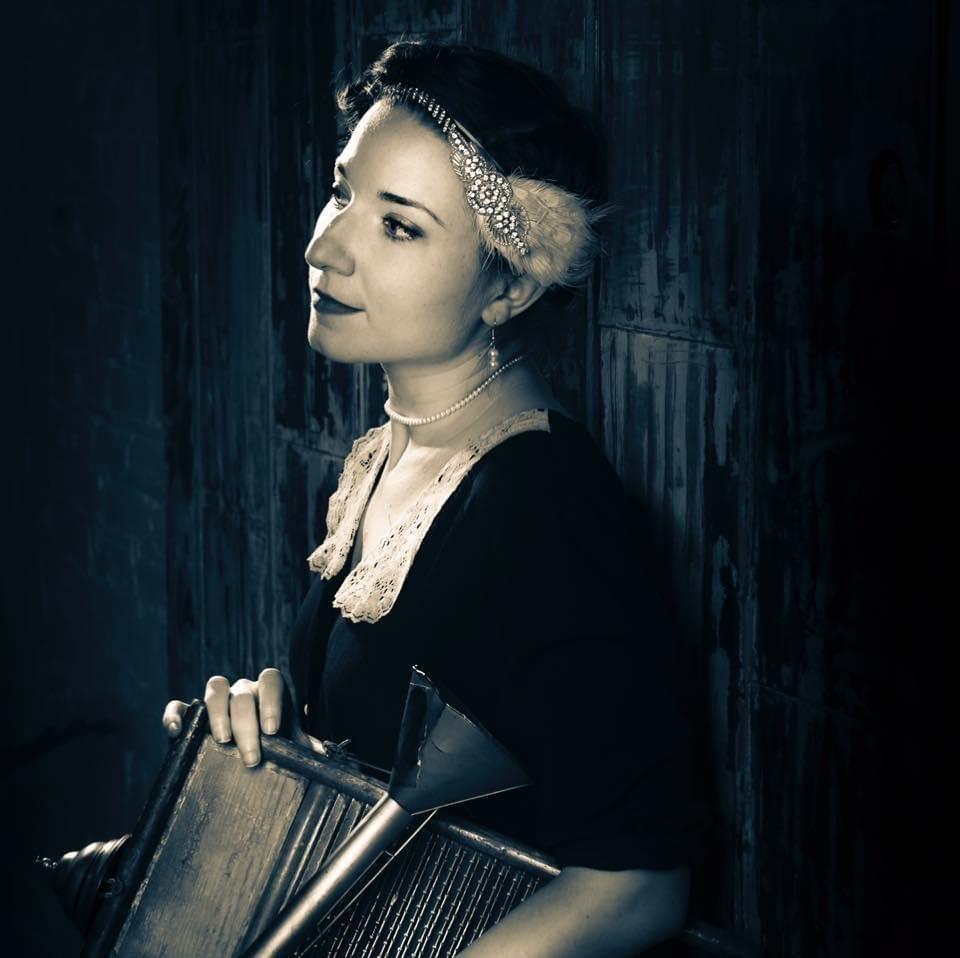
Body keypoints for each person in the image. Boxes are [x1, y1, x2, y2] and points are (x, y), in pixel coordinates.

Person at [164, 39, 699, 956]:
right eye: (342, 192)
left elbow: (639, 885)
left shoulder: (543, 508)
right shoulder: (391, 454)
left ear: (512, 283)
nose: (324, 247)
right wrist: (271, 755)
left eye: (398, 226)